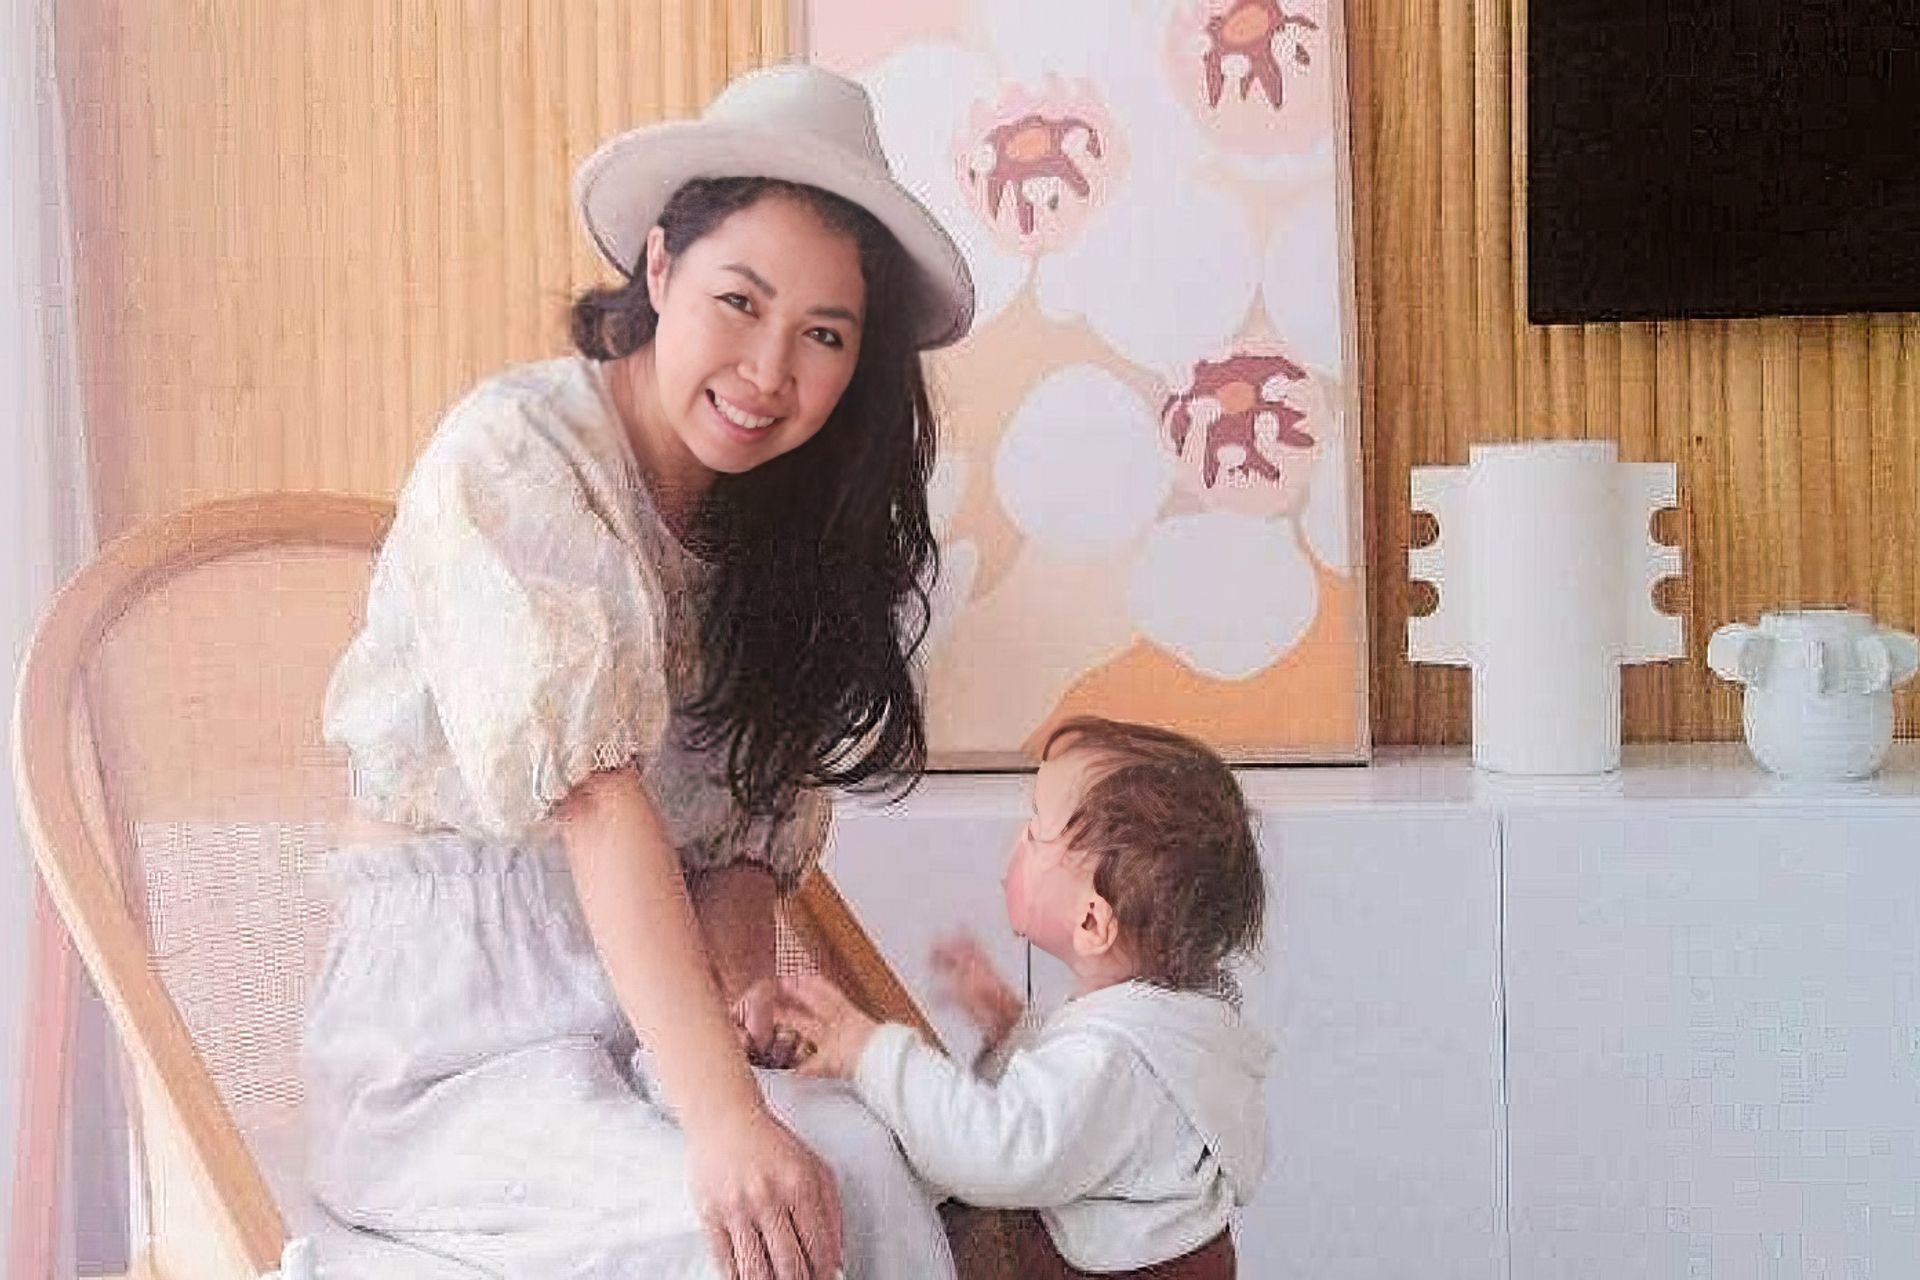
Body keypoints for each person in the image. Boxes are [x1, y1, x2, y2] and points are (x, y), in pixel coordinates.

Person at [303, 63, 973, 1280]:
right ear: (660, 270)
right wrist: (723, 1125)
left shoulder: (780, 535)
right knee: (714, 1227)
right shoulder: (515, 456)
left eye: (823, 334)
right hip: (455, 1045)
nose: (771, 370)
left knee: (858, 1173)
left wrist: (732, 1057)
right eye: (739, 299)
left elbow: (731, 863)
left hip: (649, 1016)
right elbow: (600, 801)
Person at [777, 716, 1274, 1279]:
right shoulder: (1163, 1033)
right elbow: (1070, 1113)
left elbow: (992, 1152)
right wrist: (1015, 1030)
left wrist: (872, 1052)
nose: (1018, 839)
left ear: (1091, 922)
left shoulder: (1112, 1060)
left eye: (1036, 830)